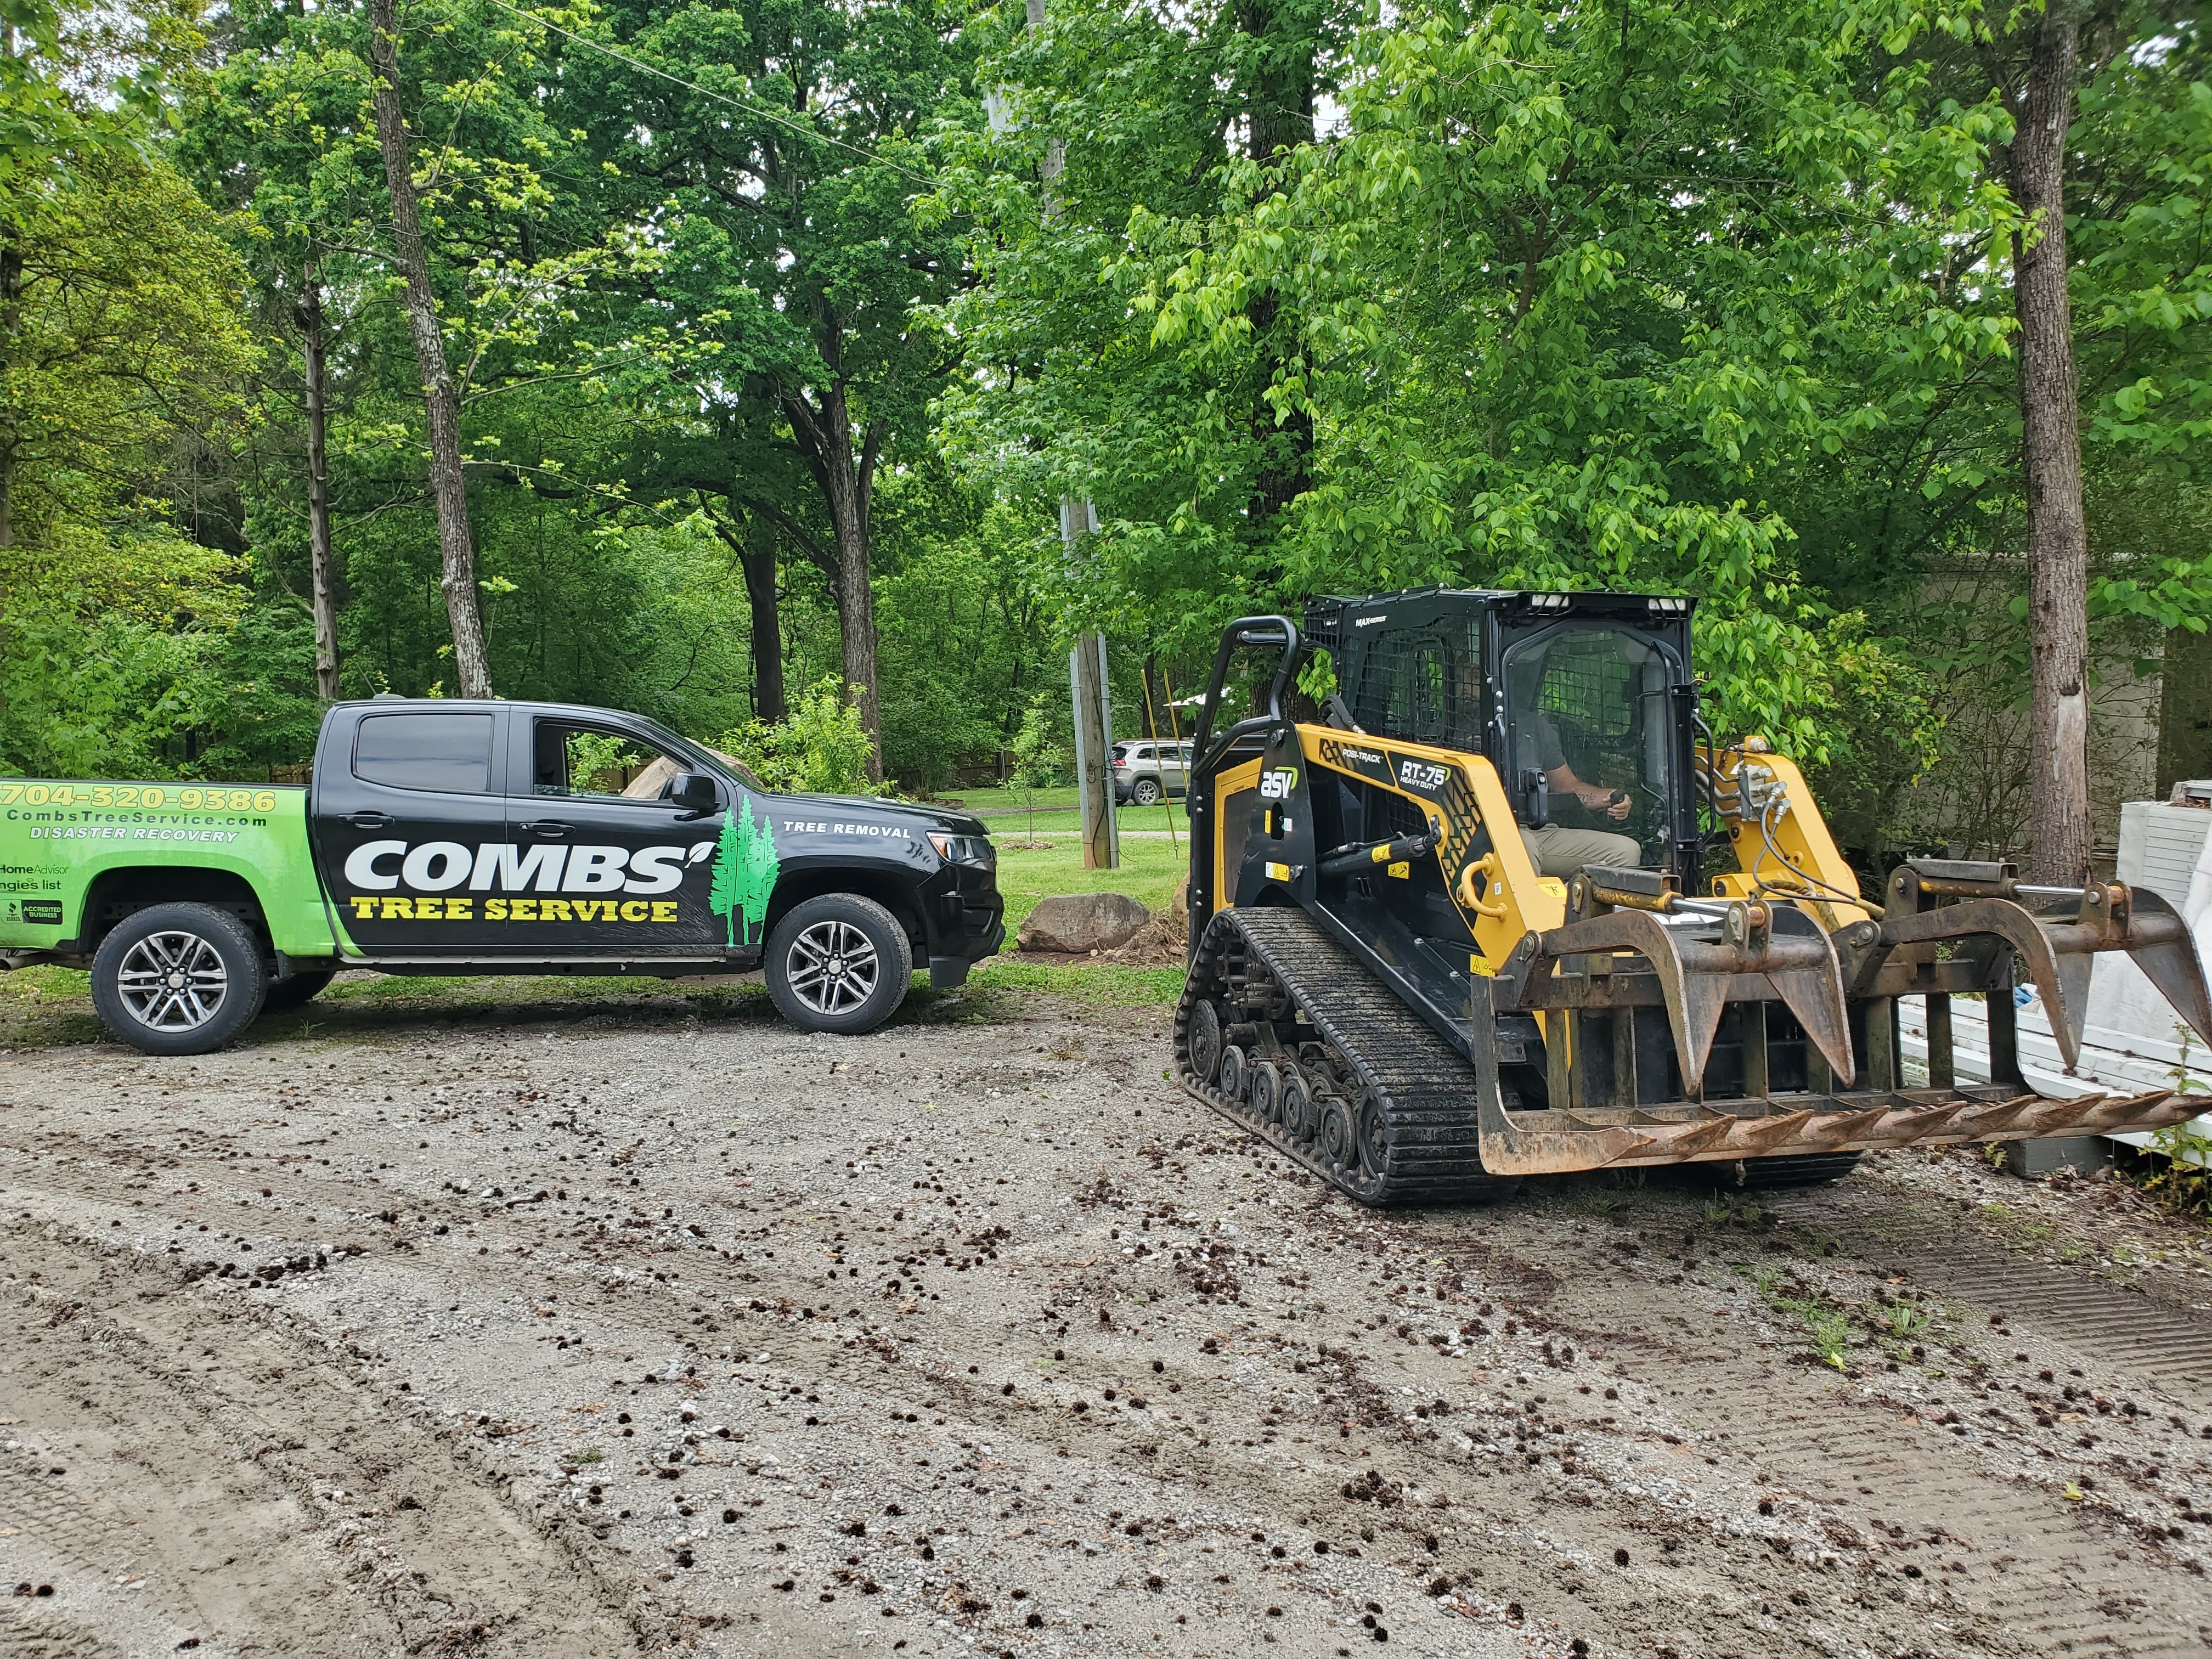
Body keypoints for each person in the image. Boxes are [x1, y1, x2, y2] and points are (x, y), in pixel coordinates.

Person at [1516, 706, 1640, 877]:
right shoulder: (1465, 731)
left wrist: (1610, 797)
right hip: (1478, 830)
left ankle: (1575, 903)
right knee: (1523, 846)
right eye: (1471, 677)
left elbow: (1566, 785)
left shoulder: (1532, 725)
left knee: (1626, 851)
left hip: (1536, 829)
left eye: (1477, 676)